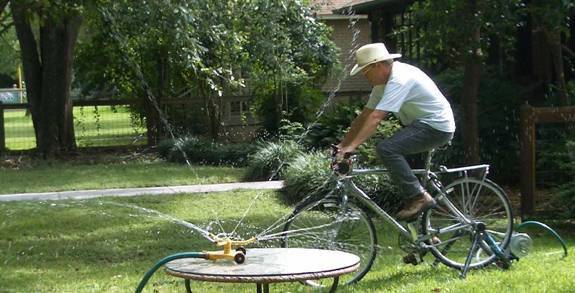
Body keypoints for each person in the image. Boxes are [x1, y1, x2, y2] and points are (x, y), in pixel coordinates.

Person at [336, 43, 455, 221]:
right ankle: (426, 233)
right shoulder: (382, 85)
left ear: (378, 65)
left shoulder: (399, 79)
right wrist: (342, 145)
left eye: (365, 71)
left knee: (387, 149)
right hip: (420, 125)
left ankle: (420, 197)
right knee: (400, 171)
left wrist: (351, 148)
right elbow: (364, 116)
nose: (364, 76)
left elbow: (376, 118)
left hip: (436, 127)